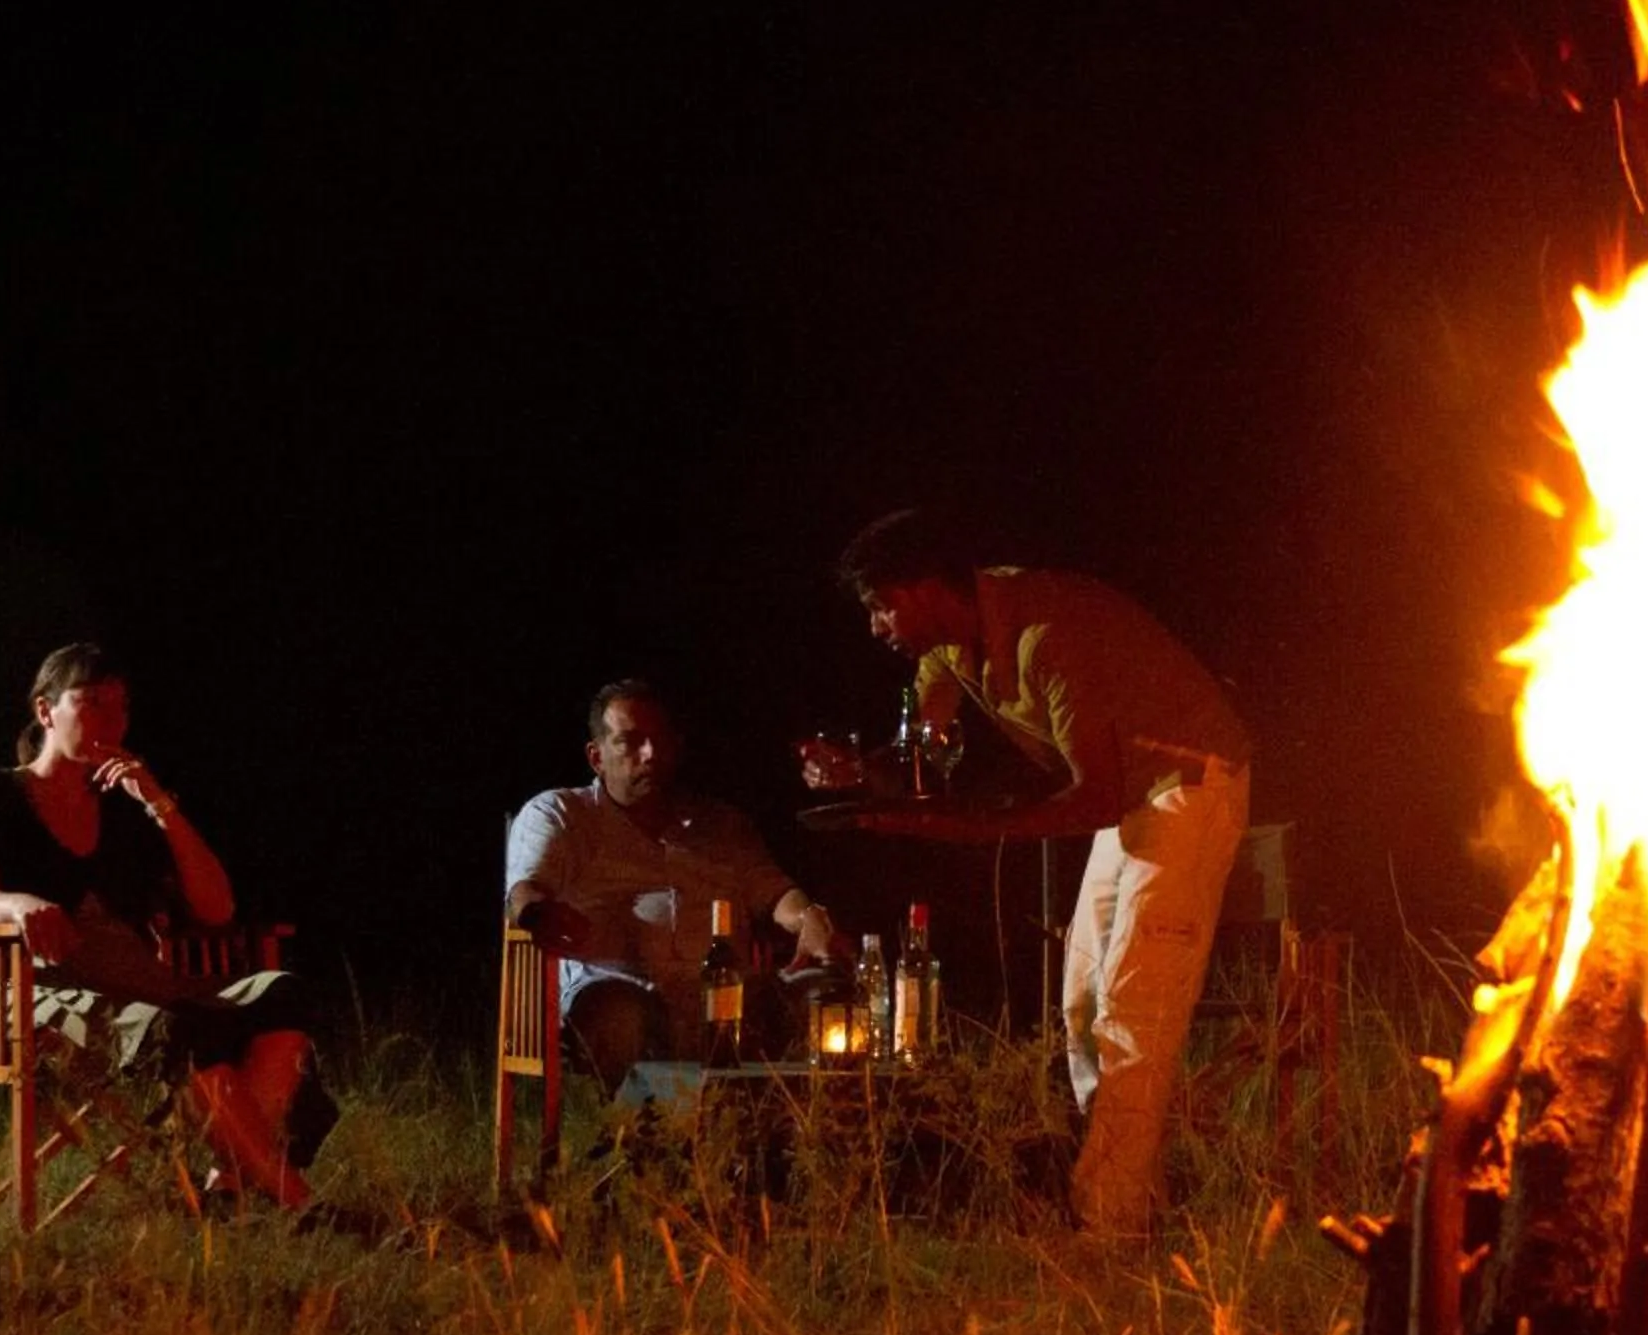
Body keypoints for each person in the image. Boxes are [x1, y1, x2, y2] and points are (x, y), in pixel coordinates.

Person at [806, 509, 1251, 1235]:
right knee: (1082, 1009)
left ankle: (1107, 1226)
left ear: (924, 589)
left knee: (1136, 1010)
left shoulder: (1047, 635)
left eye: (881, 606)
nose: (877, 626)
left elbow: (1093, 794)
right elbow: (918, 756)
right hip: (1134, 795)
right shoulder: (950, 649)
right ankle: (1138, 1202)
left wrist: (974, 829)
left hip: (1186, 783)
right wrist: (859, 772)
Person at [0, 642, 333, 1208]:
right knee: (181, 1030)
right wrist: (17, 905)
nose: (111, 720)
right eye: (92, 702)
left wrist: (158, 803)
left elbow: (218, 909)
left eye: (121, 707)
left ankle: (231, 1185)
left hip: (140, 987)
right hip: (39, 993)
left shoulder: (125, 810)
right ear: (46, 710)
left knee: (281, 994)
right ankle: (292, 1200)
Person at [506, 679, 841, 1092]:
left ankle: (804, 1137)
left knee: (826, 995)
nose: (650, 755)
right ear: (596, 756)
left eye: (659, 741)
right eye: (630, 743)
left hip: (724, 1000)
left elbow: (771, 891)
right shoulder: (563, 815)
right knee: (621, 1014)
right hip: (617, 994)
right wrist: (536, 912)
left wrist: (808, 915)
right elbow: (528, 886)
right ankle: (662, 1142)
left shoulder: (721, 826)